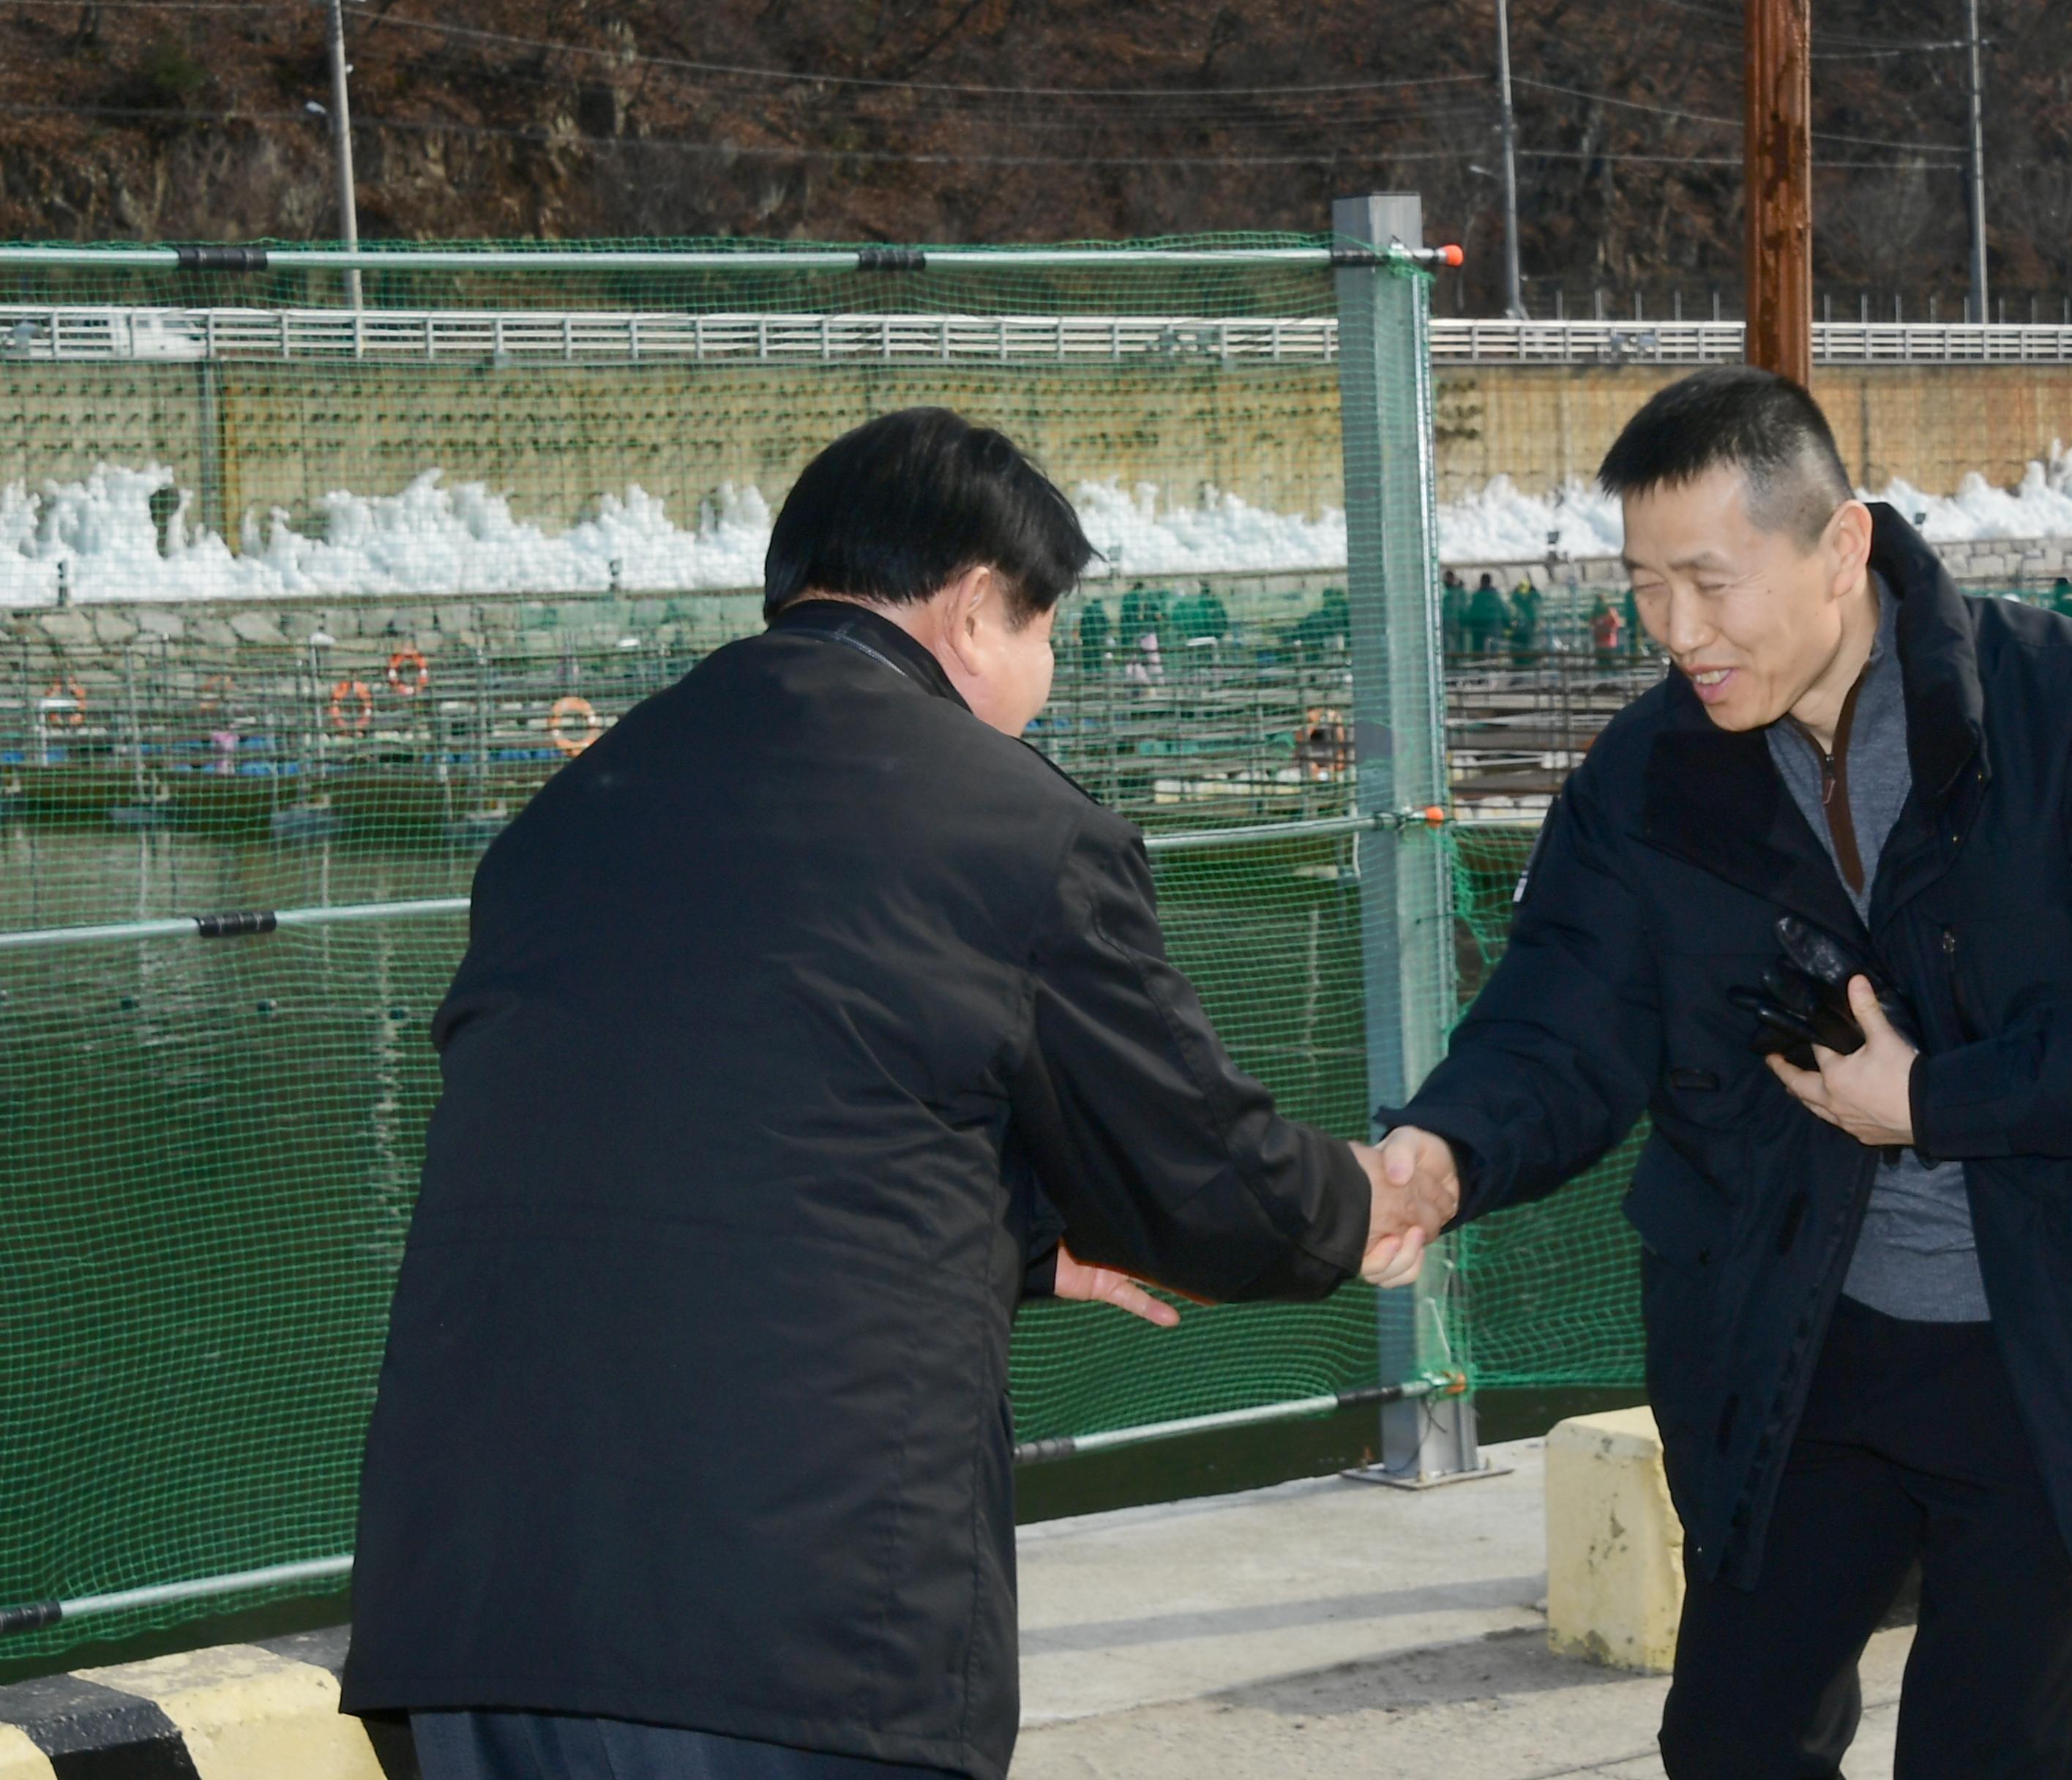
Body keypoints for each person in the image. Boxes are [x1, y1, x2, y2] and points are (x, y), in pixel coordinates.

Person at [342, 408, 1451, 1780]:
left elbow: (728, 1115)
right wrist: (1357, 1198)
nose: (1045, 681)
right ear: (977, 605)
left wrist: (1029, 1243)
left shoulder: (571, 816)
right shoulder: (1017, 829)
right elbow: (1200, 1176)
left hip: (472, 1623)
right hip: (789, 1637)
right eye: (1048, 639)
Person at [1369, 367, 2072, 1779]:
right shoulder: (1642, 783)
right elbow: (1556, 1021)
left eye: (1709, 581)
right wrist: (1441, 1153)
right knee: (1731, 1743)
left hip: (2054, 1348)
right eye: (1643, 586)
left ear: (1838, 547)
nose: (1675, 632)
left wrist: (1935, 1099)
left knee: (1994, 1752)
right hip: (1790, 1346)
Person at [1466, 571, 1511, 662]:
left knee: (1479, 654)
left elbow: (1472, 612)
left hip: (1479, 630)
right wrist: (1507, 624)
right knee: (1493, 652)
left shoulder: (1477, 596)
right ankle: (1492, 668)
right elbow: (1504, 611)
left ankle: (1480, 670)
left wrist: (1469, 623)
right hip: (1494, 628)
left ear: (1481, 581)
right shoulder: (1495, 596)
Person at [1508, 575, 1544, 667]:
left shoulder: (1530, 600)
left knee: (1527, 646)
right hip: (1522, 629)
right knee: (1521, 647)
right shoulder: (1518, 600)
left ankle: (1527, 664)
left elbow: (1538, 601)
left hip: (1528, 627)